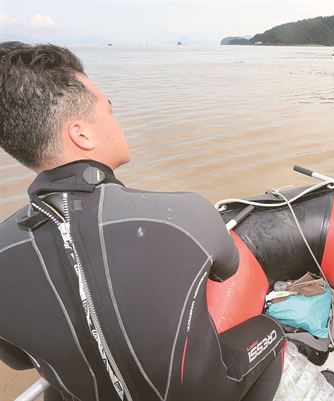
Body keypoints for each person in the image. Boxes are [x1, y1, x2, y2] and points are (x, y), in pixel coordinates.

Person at [0, 42, 285, 401]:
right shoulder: (182, 217)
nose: (117, 120)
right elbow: (227, 270)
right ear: (81, 134)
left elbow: (18, 360)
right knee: (270, 331)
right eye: (109, 111)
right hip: (202, 392)